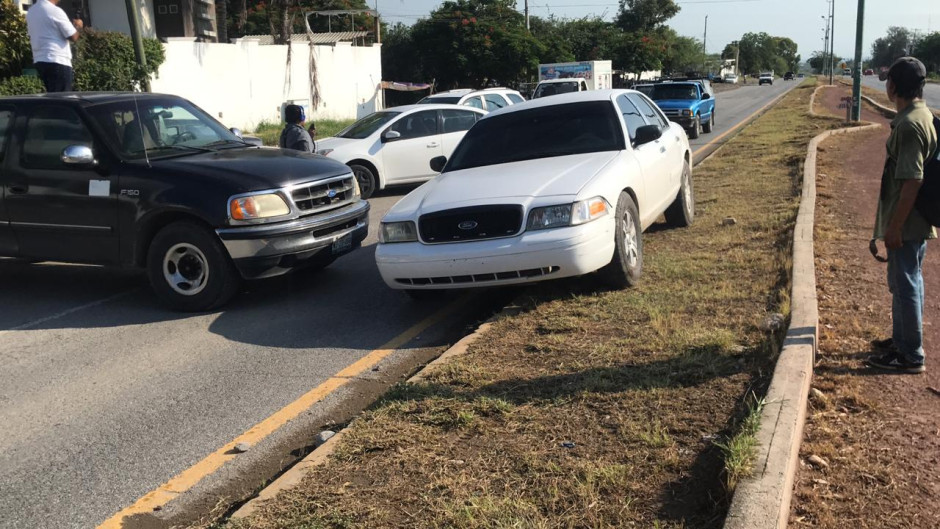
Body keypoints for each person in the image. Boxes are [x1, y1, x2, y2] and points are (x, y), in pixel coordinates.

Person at [866, 56, 937, 374]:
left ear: (893, 85)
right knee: (909, 281)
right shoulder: (924, 115)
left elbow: (912, 180)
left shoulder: (909, 125)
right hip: (916, 218)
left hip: (907, 221)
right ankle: (903, 340)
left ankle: (910, 354)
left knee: (905, 283)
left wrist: (894, 227)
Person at [26, 0, 83, 93]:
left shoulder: (31, 11)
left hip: (40, 59)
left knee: (52, 95)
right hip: (57, 59)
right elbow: (73, 36)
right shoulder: (55, 11)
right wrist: (78, 26)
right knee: (62, 100)